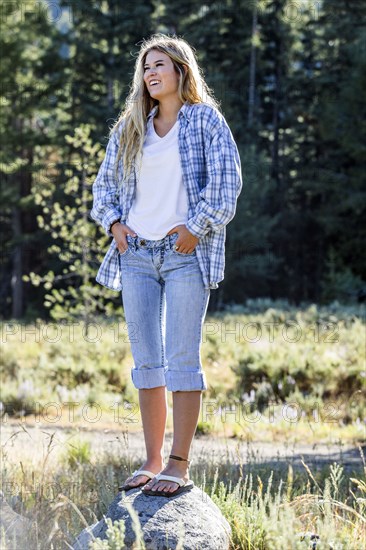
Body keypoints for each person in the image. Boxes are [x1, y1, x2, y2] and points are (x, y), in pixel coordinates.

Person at [90, 34, 242, 498]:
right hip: (135, 255)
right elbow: (103, 187)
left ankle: (179, 463)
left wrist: (194, 228)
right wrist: (115, 224)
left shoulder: (205, 121)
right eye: (145, 68)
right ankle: (152, 460)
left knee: (181, 360)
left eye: (159, 65)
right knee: (147, 364)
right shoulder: (132, 126)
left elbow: (227, 184)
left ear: (181, 71)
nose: (150, 74)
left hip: (183, 256)